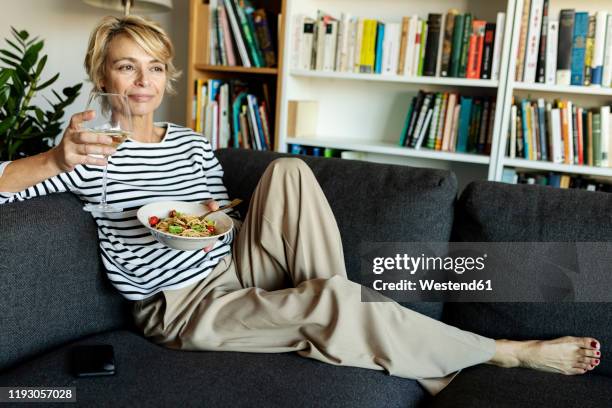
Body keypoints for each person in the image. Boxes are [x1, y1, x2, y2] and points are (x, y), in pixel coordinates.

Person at [0, 15, 602, 395]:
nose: (142, 80)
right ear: (102, 74)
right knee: (333, 296)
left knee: (287, 170)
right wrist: (57, 160)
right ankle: (501, 353)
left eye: (154, 67)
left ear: (167, 78)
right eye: (126, 66)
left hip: (227, 265)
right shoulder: (88, 148)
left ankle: (342, 319)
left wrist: (214, 217)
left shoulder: (187, 139)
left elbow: (212, 207)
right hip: (179, 310)